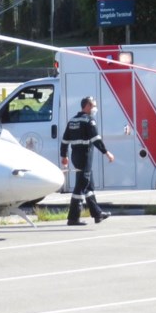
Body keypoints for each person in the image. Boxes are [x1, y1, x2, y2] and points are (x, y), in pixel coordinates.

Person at [60, 96, 115, 226]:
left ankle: (97, 214)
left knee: (89, 185)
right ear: (87, 106)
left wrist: (64, 156)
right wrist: (107, 153)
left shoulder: (72, 121)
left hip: (75, 156)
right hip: (85, 156)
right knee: (81, 185)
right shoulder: (88, 121)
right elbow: (96, 139)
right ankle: (73, 217)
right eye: (93, 106)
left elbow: (64, 141)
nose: (95, 108)